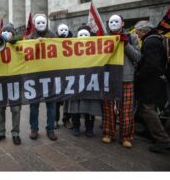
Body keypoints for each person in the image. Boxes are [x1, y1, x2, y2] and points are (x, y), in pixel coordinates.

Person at [102, 14, 141, 148]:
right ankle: (108, 133)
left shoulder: (133, 37)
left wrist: (126, 44)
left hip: (126, 78)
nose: (113, 23)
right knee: (108, 108)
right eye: (110, 21)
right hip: (109, 77)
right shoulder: (104, 38)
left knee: (127, 110)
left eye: (116, 21)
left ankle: (126, 137)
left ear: (123, 23)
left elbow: (137, 57)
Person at [134, 20, 170, 153]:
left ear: (143, 31)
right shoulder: (156, 39)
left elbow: (152, 65)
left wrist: (138, 75)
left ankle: (163, 139)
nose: (137, 34)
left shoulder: (150, 42)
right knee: (149, 109)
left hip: (151, 83)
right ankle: (152, 132)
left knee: (148, 110)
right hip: (156, 82)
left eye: (137, 32)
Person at [67, 25, 102, 137]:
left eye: (85, 35)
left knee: (89, 106)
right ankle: (76, 126)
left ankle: (89, 127)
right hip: (75, 81)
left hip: (90, 81)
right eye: (80, 35)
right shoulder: (70, 49)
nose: (82, 37)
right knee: (75, 106)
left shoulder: (96, 48)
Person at [27, 14, 58, 141]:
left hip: (50, 76)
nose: (40, 25)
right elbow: (25, 56)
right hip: (35, 77)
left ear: (46, 22)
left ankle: (50, 129)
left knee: (51, 105)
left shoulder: (53, 37)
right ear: (34, 24)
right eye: (38, 23)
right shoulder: (29, 38)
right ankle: (34, 129)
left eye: (42, 22)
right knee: (34, 105)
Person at [0, 23, 21, 145]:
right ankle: (0, 132)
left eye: (8, 32)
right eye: (4, 32)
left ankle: (15, 133)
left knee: (15, 109)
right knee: (0, 109)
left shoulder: (18, 45)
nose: (5, 34)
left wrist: (14, 42)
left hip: (14, 82)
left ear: (13, 34)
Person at [55, 24, 73, 129]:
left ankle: (67, 119)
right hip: (57, 75)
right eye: (61, 29)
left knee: (68, 99)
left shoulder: (74, 41)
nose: (63, 31)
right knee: (56, 100)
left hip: (69, 74)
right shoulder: (53, 41)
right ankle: (55, 120)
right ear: (57, 31)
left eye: (65, 29)